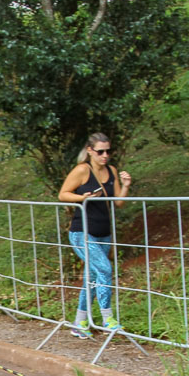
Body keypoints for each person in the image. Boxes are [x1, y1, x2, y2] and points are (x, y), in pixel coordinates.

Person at [58, 132, 132, 336]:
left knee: (91, 277)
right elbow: (63, 194)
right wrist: (83, 197)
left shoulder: (112, 170)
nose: (105, 155)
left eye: (108, 151)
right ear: (90, 151)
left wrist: (125, 187)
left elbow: (119, 202)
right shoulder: (82, 170)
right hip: (82, 233)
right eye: (100, 151)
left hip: (103, 233)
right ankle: (108, 319)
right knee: (105, 271)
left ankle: (79, 323)